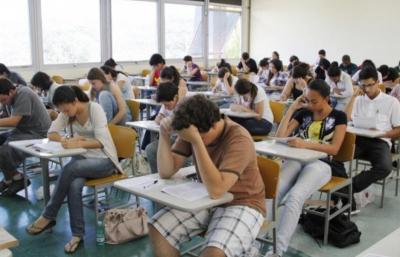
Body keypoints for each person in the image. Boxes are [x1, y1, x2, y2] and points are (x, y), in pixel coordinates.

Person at [149, 94, 265, 257]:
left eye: (199, 137)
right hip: (207, 198)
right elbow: (166, 171)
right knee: (156, 228)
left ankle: (248, 249)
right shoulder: (192, 129)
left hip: (242, 201)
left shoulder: (239, 138)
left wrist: (196, 141)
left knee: (213, 253)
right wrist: (163, 134)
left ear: (213, 125)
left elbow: (217, 190)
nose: (191, 140)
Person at [26, 85, 121, 253]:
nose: (65, 113)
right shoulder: (66, 113)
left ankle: (48, 215)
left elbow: (100, 142)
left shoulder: (95, 109)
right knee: (74, 185)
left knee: (71, 168)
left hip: (105, 160)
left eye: (67, 109)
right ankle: (78, 235)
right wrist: (63, 139)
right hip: (83, 160)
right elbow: (51, 133)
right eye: (62, 110)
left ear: (75, 101)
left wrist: (78, 142)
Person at [265, 79, 347, 257]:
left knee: (295, 196)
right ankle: (256, 239)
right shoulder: (304, 113)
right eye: (307, 100)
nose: (310, 104)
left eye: (314, 101)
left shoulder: (338, 117)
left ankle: (277, 251)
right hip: (296, 160)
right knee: (274, 192)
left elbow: (334, 148)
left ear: (326, 98)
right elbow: (279, 137)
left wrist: (304, 144)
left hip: (322, 164)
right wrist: (293, 108)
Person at [345, 67, 400, 200]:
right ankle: (344, 194)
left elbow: (398, 130)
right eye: (363, 85)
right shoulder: (359, 100)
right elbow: (347, 117)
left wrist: (382, 134)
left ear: (377, 82)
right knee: (336, 158)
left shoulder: (391, 102)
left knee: (385, 168)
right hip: (358, 139)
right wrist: (353, 96)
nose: (367, 89)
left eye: (370, 85)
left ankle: (347, 189)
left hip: (379, 141)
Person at [0, 78, 51, 196]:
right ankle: (13, 178)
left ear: (12, 91)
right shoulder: (8, 97)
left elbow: (13, 121)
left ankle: (15, 180)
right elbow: (5, 116)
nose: (3, 103)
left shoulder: (24, 94)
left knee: (3, 151)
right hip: (23, 131)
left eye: (3, 100)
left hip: (38, 134)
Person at [145, 82, 182, 173]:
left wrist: (167, 120)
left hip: (184, 140)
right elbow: (158, 119)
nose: (166, 107)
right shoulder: (166, 102)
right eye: (164, 105)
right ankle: (157, 175)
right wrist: (161, 119)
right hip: (173, 137)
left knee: (176, 154)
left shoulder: (184, 104)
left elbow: (178, 125)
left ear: (176, 98)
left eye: (168, 105)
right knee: (150, 149)